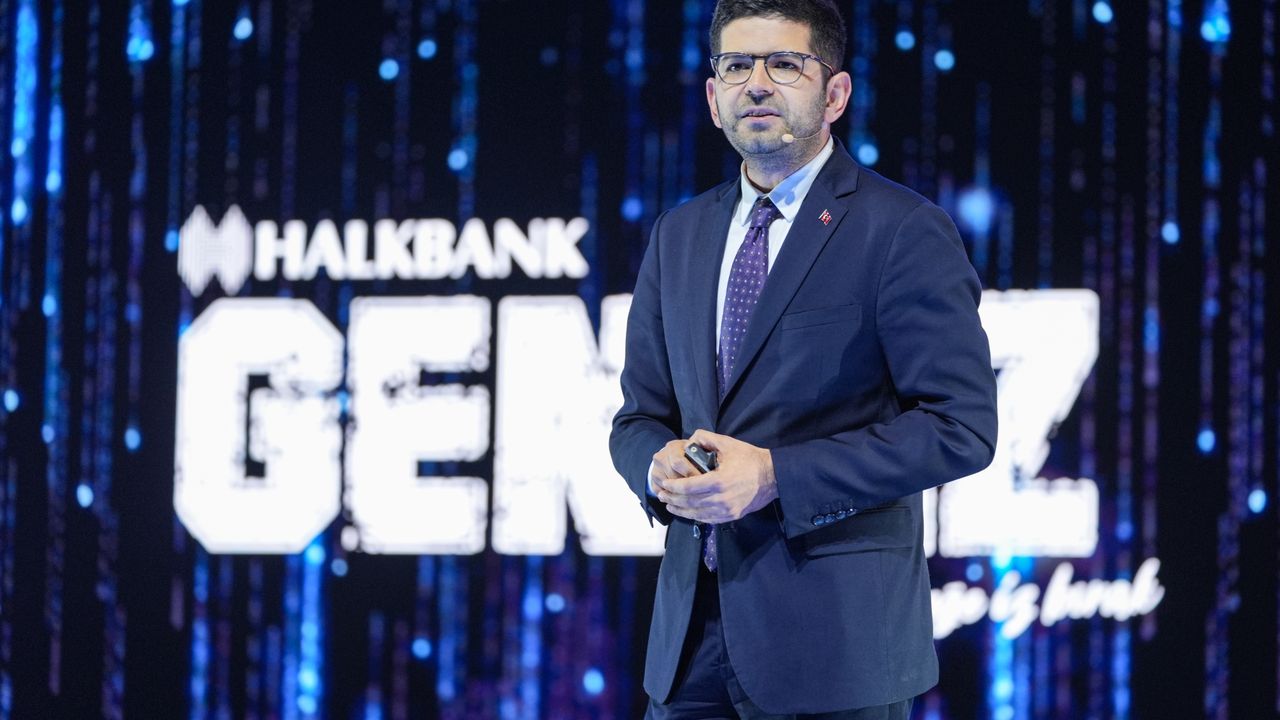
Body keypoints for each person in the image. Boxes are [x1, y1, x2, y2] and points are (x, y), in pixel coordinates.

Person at [609, 1, 998, 717]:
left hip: (837, 651)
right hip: (688, 648)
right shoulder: (678, 234)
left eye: (784, 64)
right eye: (736, 66)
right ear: (713, 97)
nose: (757, 84)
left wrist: (775, 476)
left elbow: (959, 427)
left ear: (835, 93)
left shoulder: (902, 230)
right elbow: (638, 418)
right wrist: (655, 468)